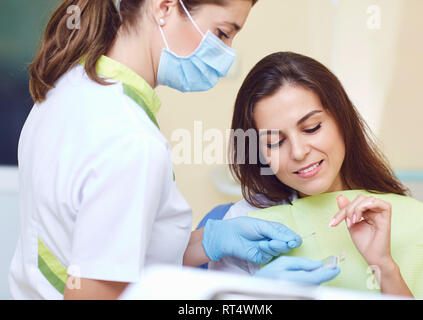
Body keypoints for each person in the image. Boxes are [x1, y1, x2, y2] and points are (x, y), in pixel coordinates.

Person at [9, 1, 339, 300]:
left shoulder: (68, 89)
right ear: (164, 7)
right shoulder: (130, 141)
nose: (226, 58)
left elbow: (113, 254)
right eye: (222, 33)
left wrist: (207, 241)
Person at [209, 51, 423, 298]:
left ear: (342, 120)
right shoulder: (244, 225)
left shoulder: (415, 222)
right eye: (273, 142)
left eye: (312, 128)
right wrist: (257, 295)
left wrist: (384, 267)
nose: (299, 152)